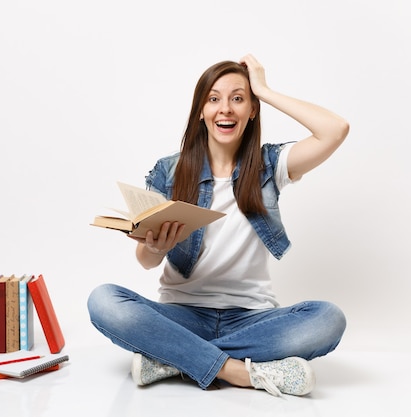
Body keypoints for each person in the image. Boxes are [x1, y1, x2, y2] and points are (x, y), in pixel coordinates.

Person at [87, 54, 349, 397]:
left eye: (238, 99)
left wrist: (265, 90)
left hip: (252, 319)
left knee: (328, 318)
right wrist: (156, 247)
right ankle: (239, 371)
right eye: (213, 99)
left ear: (251, 110)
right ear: (200, 111)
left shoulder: (270, 165)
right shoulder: (169, 171)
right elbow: (146, 261)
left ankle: (173, 358)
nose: (225, 108)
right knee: (103, 300)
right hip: (181, 315)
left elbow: (335, 129)